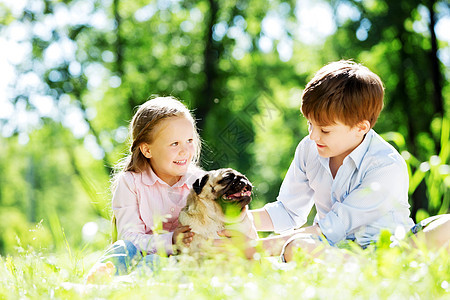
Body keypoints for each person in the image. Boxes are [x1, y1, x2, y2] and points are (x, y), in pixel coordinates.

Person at [231, 60, 449, 261]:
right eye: (310, 124)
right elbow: (288, 211)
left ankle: (384, 270)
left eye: (325, 130)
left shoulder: (385, 165)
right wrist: (229, 223)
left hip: (391, 250)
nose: (313, 136)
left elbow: (331, 229)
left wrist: (251, 249)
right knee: (296, 247)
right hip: (336, 251)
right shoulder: (309, 148)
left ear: (360, 128)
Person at [86, 96, 204, 283]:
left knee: (156, 262)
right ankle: (96, 281)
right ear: (147, 150)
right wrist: (170, 240)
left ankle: (121, 286)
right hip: (137, 254)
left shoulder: (199, 182)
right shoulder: (130, 183)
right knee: (122, 248)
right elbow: (130, 239)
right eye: (175, 144)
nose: (185, 150)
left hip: (178, 261)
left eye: (189, 140)